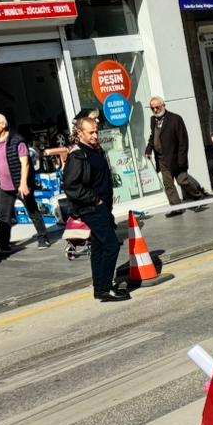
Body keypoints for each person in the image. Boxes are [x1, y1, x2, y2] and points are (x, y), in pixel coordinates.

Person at [60, 114, 124, 302]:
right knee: (111, 245)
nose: (95, 135)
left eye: (96, 131)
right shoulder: (78, 155)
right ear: (79, 133)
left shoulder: (96, 150)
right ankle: (105, 288)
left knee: (98, 246)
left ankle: (100, 288)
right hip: (91, 208)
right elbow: (71, 186)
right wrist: (95, 200)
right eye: (91, 133)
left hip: (102, 206)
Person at [0, 113, 52, 250]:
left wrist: (23, 184)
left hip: (19, 183)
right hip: (4, 186)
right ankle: (3, 244)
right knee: (4, 217)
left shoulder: (17, 140)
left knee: (32, 211)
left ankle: (43, 238)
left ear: (2, 125)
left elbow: (25, 163)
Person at [145, 98, 209, 205]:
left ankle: (198, 196)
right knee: (168, 184)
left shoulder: (175, 119)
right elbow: (153, 136)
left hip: (175, 157)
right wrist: (148, 149)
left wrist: (182, 160)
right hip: (161, 158)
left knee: (182, 181)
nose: (155, 110)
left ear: (164, 106)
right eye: (152, 108)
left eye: (157, 107)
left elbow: (183, 141)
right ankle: (176, 207)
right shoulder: (153, 120)